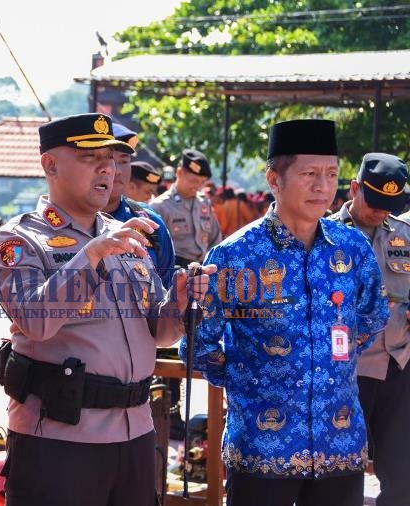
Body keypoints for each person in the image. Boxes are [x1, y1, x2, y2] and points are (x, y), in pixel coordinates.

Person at [0, 113, 214, 506]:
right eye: (89, 156)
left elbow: (158, 332)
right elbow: (35, 320)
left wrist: (177, 302)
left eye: (110, 158)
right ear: (50, 165)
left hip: (136, 433)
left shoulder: (127, 234)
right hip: (59, 439)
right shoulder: (21, 239)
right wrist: (90, 255)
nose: (107, 168)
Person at [184, 119, 389, 506]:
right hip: (263, 449)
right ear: (274, 179)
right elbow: (198, 342)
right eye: (309, 174)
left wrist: (331, 361)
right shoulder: (235, 255)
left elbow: (372, 316)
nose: (322, 186)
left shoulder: (353, 249)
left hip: (338, 443)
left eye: (331, 174)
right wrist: (250, 380)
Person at [328, 153, 410, 506]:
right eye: (374, 201)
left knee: (403, 473)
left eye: (388, 205)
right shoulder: (325, 234)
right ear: (354, 187)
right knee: (341, 471)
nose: (379, 212)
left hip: (399, 366)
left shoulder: (405, 234)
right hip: (348, 370)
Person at [104, 122, 176, 287]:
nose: (117, 170)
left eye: (124, 161)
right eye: (109, 159)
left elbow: (166, 292)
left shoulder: (151, 223)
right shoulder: (72, 221)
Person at [150, 148, 222, 267]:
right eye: (193, 181)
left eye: (202, 182)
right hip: (174, 272)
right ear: (179, 173)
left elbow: (215, 239)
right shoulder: (160, 206)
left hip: (203, 269)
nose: (197, 187)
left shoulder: (204, 203)